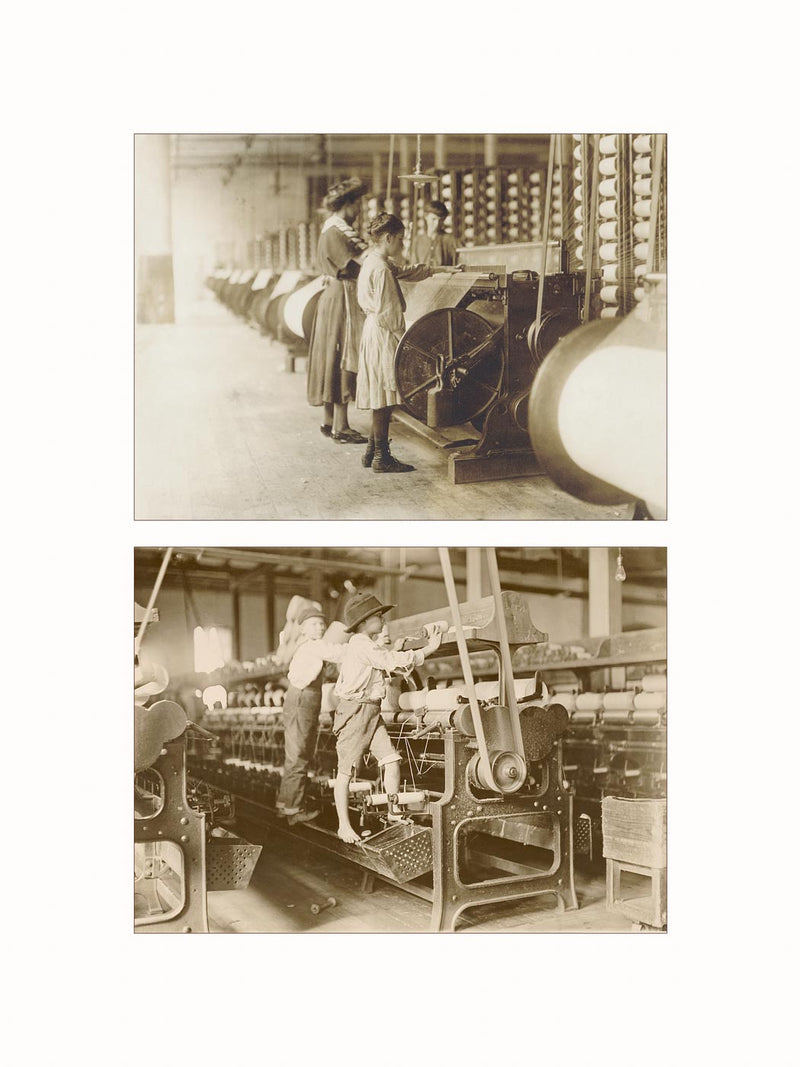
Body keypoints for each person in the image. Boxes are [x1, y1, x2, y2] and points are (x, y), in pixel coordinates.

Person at [332, 592, 443, 843]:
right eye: (378, 617)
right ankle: (343, 826)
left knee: (391, 760)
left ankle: (393, 812)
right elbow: (390, 661)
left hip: (371, 711)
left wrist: (398, 649)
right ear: (362, 623)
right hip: (355, 712)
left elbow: (385, 661)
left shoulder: (366, 645)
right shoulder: (361, 644)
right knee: (346, 773)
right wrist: (429, 649)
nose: (383, 621)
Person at [356, 212, 461, 473]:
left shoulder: (372, 260)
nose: (403, 245)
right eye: (401, 240)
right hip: (384, 332)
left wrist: (441, 269)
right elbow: (390, 314)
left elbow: (405, 272)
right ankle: (382, 457)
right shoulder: (380, 269)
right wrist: (409, 342)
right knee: (385, 395)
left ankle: (372, 450)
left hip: (374, 331)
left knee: (380, 393)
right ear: (388, 238)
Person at [306, 177, 370, 444]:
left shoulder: (328, 229)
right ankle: (342, 428)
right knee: (345, 354)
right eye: (358, 205)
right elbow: (360, 264)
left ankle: (329, 420)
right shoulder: (339, 231)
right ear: (348, 204)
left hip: (331, 295)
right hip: (342, 296)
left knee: (330, 354)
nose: (360, 211)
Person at [277, 606, 348, 825]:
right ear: (303, 629)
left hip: (301, 699)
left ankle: (285, 805)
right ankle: (294, 811)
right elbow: (340, 653)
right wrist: (363, 644)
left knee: (297, 754)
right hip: (303, 700)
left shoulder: (306, 646)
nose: (319, 627)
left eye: (321, 624)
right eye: (313, 624)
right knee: (299, 754)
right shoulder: (314, 646)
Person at [414, 200, 458, 267]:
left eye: (440, 220)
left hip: (444, 277)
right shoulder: (417, 241)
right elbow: (413, 268)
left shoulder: (450, 240)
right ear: (426, 217)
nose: (437, 224)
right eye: (433, 219)